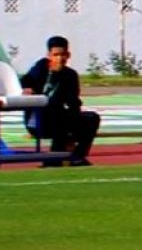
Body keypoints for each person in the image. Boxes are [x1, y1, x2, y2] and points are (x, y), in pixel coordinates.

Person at [20, 36, 100, 167]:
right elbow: (26, 80)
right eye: (56, 55)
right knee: (59, 116)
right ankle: (53, 160)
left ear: (68, 55)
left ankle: (77, 157)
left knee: (91, 118)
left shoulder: (70, 75)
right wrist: (27, 88)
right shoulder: (40, 68)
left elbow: (73, 102)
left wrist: (74, 126)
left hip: (59, 117)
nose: (60, 58)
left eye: (63, 54)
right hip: (38, 121)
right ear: (49, 55)